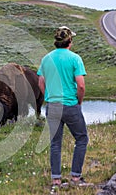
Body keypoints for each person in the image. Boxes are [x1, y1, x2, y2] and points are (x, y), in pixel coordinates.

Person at [37, 26, 93, 190]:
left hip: (52, 106)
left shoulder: (46, 59)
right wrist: (79, 102)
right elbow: (81, 86)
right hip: (70, 105)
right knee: (81, 138)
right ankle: (75, 177)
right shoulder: (75, 58)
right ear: (70, 41)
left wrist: (49, 97)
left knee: (55, 143)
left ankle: (56, 181)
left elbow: (40, 82)